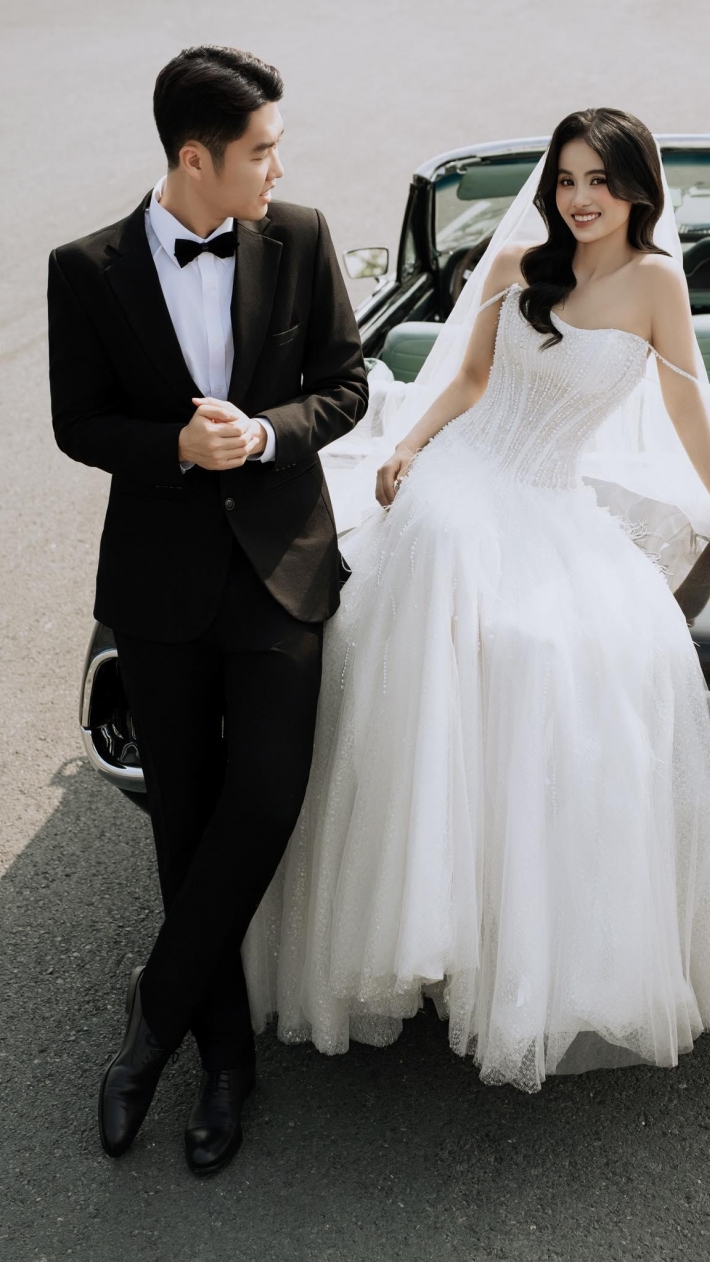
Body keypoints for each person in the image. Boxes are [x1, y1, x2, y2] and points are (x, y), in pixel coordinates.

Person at [243, 108, 710, 1092]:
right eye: (566, 180)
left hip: (551, 499)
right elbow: (469, 377)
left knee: (554, 653)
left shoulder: (657, 284)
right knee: (450, 561)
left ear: (637, 188)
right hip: (465, 478)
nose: (580, 199)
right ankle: (412, 917)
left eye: (599, 181)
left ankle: (500, 925)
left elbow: (685, 402)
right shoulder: (515, 265)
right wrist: (409, 443)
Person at [48, 45, 368, 1171]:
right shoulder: (85, 268)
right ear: (197, 158)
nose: (279, 167)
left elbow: (346, 383)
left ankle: (149, 1028)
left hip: (282, 565)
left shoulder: (303, 236)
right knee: (182, 821)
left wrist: (267, 432)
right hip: (159, 583)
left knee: (264, 797)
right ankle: (225, 1066)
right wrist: (176, 447)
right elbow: (79, 423)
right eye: (262, 149)